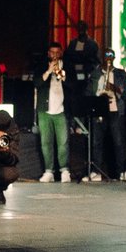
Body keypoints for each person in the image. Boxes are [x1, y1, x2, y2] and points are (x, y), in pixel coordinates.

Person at [85, 47, 126, 181]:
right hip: (99, 110)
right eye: (106, 57)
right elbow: (88, 92)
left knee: (119, 142)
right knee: (97, 142)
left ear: (114, 58)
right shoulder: (95, 74)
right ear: (102, 59)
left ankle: (122, 171)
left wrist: (114, 88)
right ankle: (96, 172)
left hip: (115, 110)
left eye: (111, 57)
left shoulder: (121, 74)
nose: (109, 60)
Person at [35, 41, 72, 183]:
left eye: (57, 53)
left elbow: (73, 85)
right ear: (48, 54)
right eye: (52, 52)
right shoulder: (41, 66)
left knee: (63, 142)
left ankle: (64, 170)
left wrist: (63, 76)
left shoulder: (67, 66)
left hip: (61, 110)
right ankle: (48, 171)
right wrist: (49, 71)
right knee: (46, 142)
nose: (55, 55)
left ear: (61, 53)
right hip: (44, 111)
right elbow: (36, 83)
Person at [65, 20, 100, 132]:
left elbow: (96, 61)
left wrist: (88, 70)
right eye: (78, 28)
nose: (80, 30)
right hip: (73, 78)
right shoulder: (73, 43)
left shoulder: (92, 44)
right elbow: (67, 59)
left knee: (84, 100)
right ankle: (72, 124)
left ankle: (82, 125)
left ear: (86, 29)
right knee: (73, 100)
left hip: (86, 77)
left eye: (82, 28)